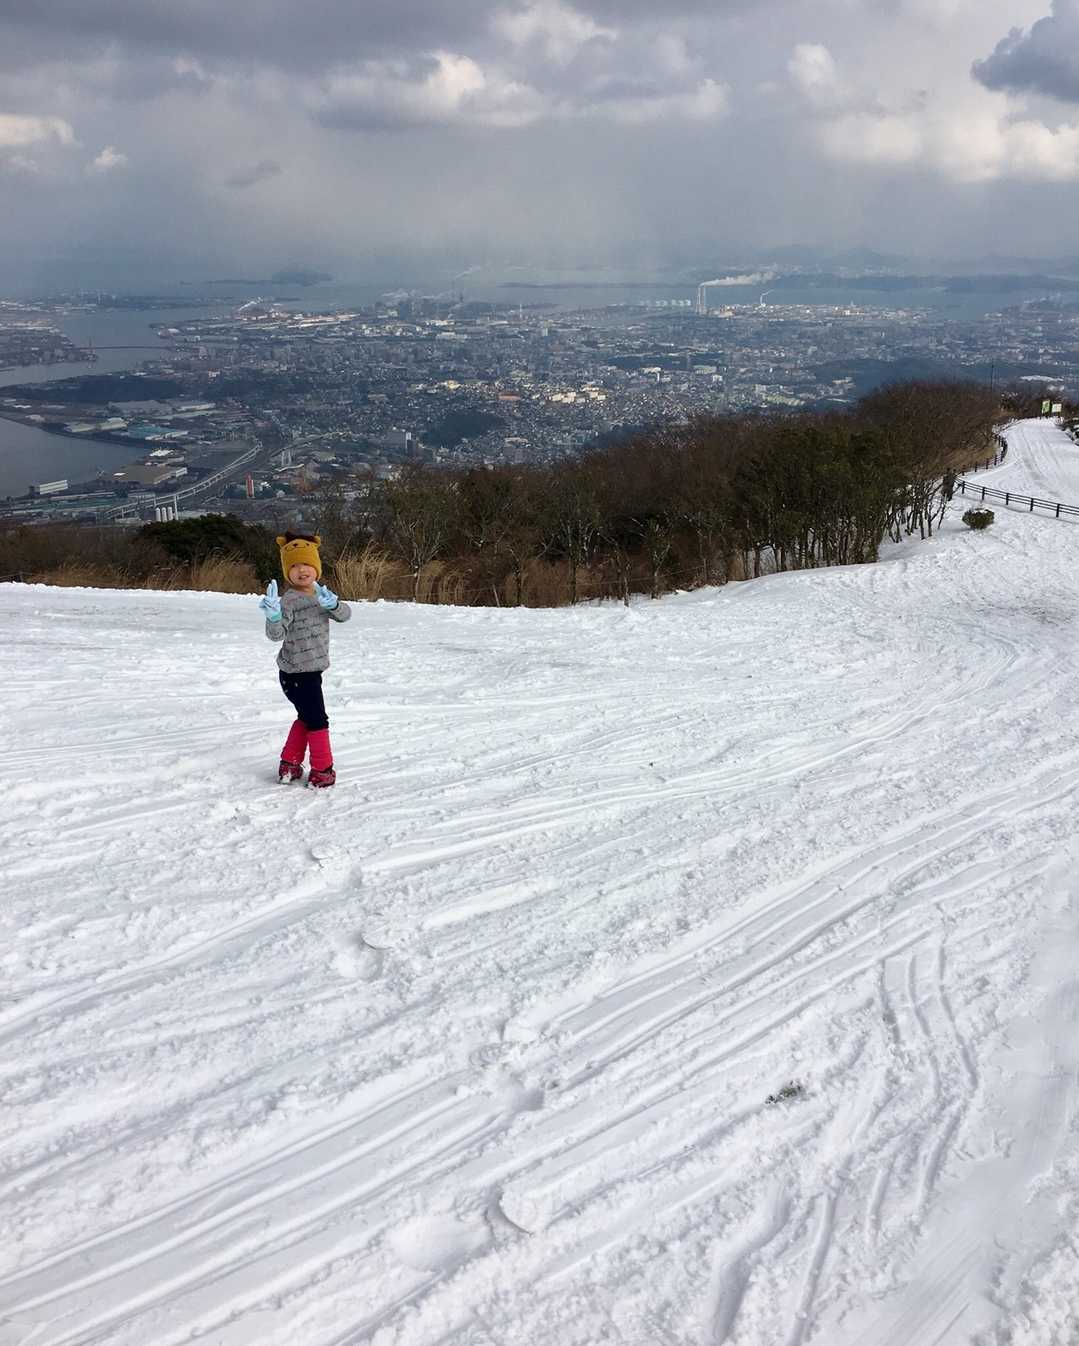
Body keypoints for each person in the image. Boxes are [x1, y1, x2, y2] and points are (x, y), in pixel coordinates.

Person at [258, 532, 351, 787]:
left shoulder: (322, 596)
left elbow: (345, 616)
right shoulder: (289, 600)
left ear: (316, 567)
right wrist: (274, 617)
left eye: (307, 564)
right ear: (287, 571)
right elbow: (276, 635)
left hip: (312, 670)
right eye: (295, 565)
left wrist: (334, 605)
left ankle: (289, 765)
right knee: (318, 720)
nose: (302, 570)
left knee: (307, 716)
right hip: (296, 673)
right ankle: (322, 769)